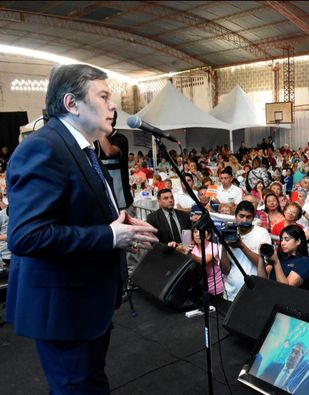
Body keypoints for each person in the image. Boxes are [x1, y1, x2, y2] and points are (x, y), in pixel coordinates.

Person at [5, 64, 159, 393]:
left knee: (82, 383)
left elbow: (76, 210)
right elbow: (27, 236)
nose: (113, 105)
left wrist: (122, 226)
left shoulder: (82, 149)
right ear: (72, 104)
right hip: (63, 309)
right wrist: (108, 236)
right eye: (103, 96)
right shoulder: (43, 148)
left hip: (85, 303)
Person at [221, 201, 271, 301]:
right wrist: (223, 247)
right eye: (241, 216)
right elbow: (225, 270)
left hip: (253, 293)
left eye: (248, 217)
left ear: (253, 218)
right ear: (235, 216)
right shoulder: (229, 233)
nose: (244, 220)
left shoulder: (262, 233)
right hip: (231, 292)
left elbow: (262, 263)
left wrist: (241, 246)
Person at [168, 224, 224, 299]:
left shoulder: (214, 247)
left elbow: (203, 261)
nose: (197, 234)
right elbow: (180, 247)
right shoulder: (193, 246)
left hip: (215, 289)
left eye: (201, 232)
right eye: (195, 232)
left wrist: (188, 253)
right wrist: (173, 245)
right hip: (200, 288)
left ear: (208, 236)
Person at [95, 110, 133, 210]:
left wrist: (100, 133)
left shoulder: (120, 139)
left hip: (121, 202)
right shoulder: (94, 140)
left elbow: (109, 152)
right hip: (103, 201)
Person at [257, 224, 309, 289]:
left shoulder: (304, 262)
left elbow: (285, 289)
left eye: (287, 239)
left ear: (298, 241)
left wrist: (276, 262)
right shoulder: (279, 256)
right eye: (281, 239)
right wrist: (261, 256)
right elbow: (261, 280)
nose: (282, 243)